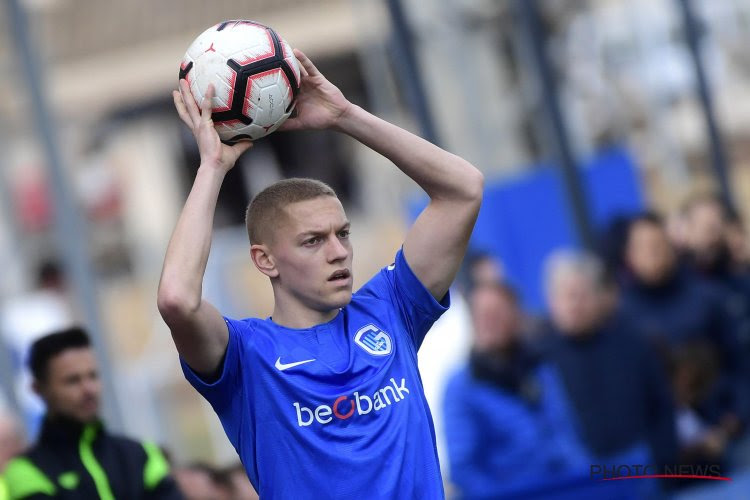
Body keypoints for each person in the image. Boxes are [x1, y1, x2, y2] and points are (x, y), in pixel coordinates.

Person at [157, 48, 483, 499]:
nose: (338, 253)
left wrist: (345, 116)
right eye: (313, 241)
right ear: (265, 260)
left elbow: (463, 190)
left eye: (342, 234)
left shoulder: (391, 309)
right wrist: (212, 168)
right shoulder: (245, 356)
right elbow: (176, 298)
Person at [443, 281, 590, 498]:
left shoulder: (539, 369)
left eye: (498, 313)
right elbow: (464, 468)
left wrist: (584, 482)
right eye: (484, 315)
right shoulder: (461, 386)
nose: (491, 322)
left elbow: (566, 433)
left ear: (516, 316)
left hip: (560, 488)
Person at [1, 328, 182, 499]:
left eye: (93, 376)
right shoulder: (25, 471)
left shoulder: (143, 454)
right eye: (72, 381)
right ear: (38, 389)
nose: (89, 389)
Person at [540, 251, 677, 470]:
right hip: (578, 478)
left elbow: (661, 406)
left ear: (598, 297)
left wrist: (661, 458)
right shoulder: (540, 358)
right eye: (566, 296)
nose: (575, 304)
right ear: (551, 302)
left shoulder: (633, 343)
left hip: (641, 468)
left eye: (582, 295)